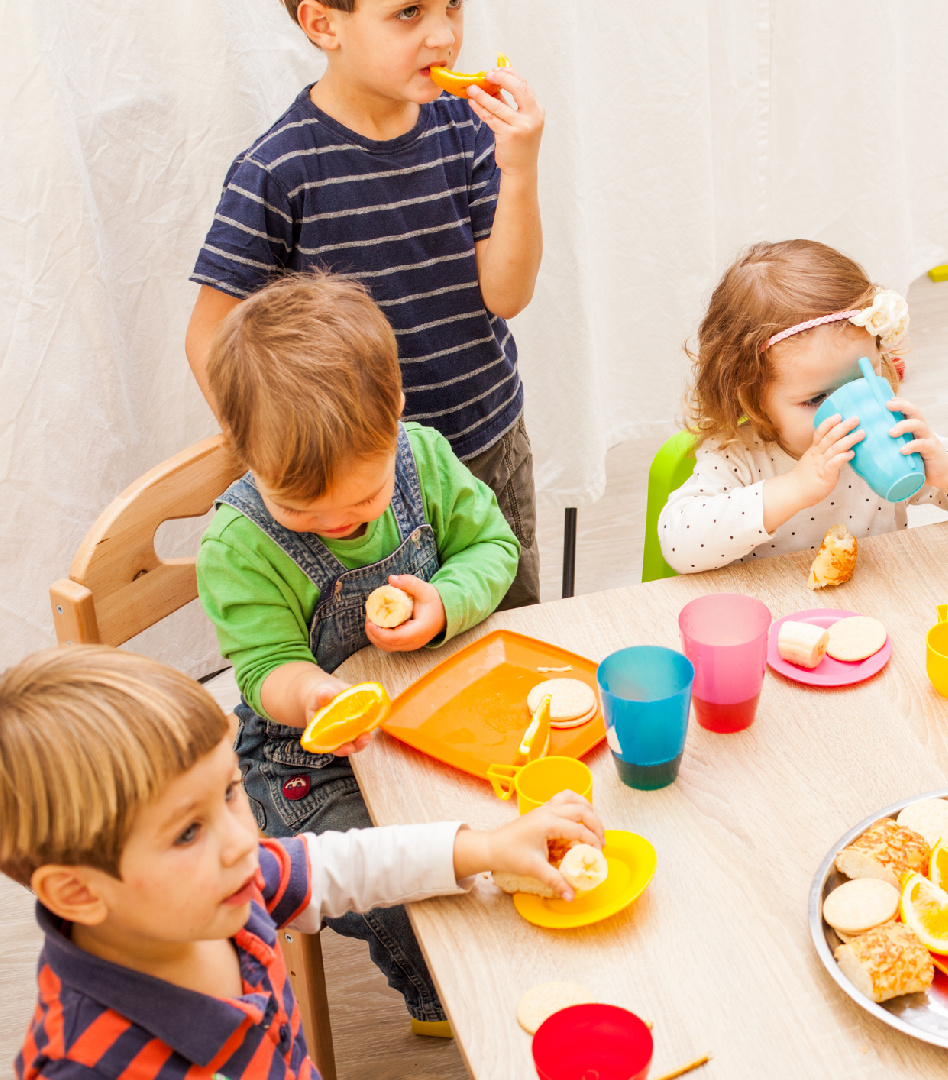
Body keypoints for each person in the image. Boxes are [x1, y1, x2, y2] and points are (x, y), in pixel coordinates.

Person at [3, 645, 603, 1079]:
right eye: (187, 832)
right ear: (78, 893)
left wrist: (488, 847)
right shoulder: (88, 1063)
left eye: (232, 792)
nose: (242, 840)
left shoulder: (226, 886)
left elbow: (346, 865)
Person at [196, 272, 520, 1033]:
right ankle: (439, 998)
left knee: (524, 802)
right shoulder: (237, 545)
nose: (340, 524)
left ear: (395, 416)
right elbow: (264, 667)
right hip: (303, 763)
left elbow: (492, 547)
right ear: (243, 455)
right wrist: (313, 696)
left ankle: (505, 955)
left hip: (431, 697)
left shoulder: (426, 460)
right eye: (304, 511)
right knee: (392, 877)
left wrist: (443, 601)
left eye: (365, 502)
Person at [185, 0, 544, 608]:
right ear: (324, 25)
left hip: (485, 446)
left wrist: (521, 171)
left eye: (452, 6)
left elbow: (506, 295)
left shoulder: (467, 127)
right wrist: (283, 456)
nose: (443, 35)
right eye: (408, 13)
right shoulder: (277, 170)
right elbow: (210, 336)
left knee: (506, 640)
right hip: (355, 483)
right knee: (384, 652)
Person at [659, 240, 948, 572]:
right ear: (752, 399)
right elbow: (679, 545)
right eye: (819, 399)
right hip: (776, 623)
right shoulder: (740, 456)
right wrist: (796, 487)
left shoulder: (892, 438)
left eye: (864, 381)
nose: (851, 413)